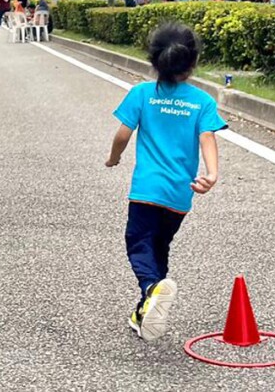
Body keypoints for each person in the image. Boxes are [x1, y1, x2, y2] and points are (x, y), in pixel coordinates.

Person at [105, 23, 227, 342]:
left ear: (153, 60)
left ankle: (151, 288)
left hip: (146, 189)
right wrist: (211, 174)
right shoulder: (202, 101)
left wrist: (114, 157)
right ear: (193, 62)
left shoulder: (142, 94)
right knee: (159, 245)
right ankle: (144, 310)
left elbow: (122, 133)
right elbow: (207, 137)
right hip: (179, 195)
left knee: (139, 242)